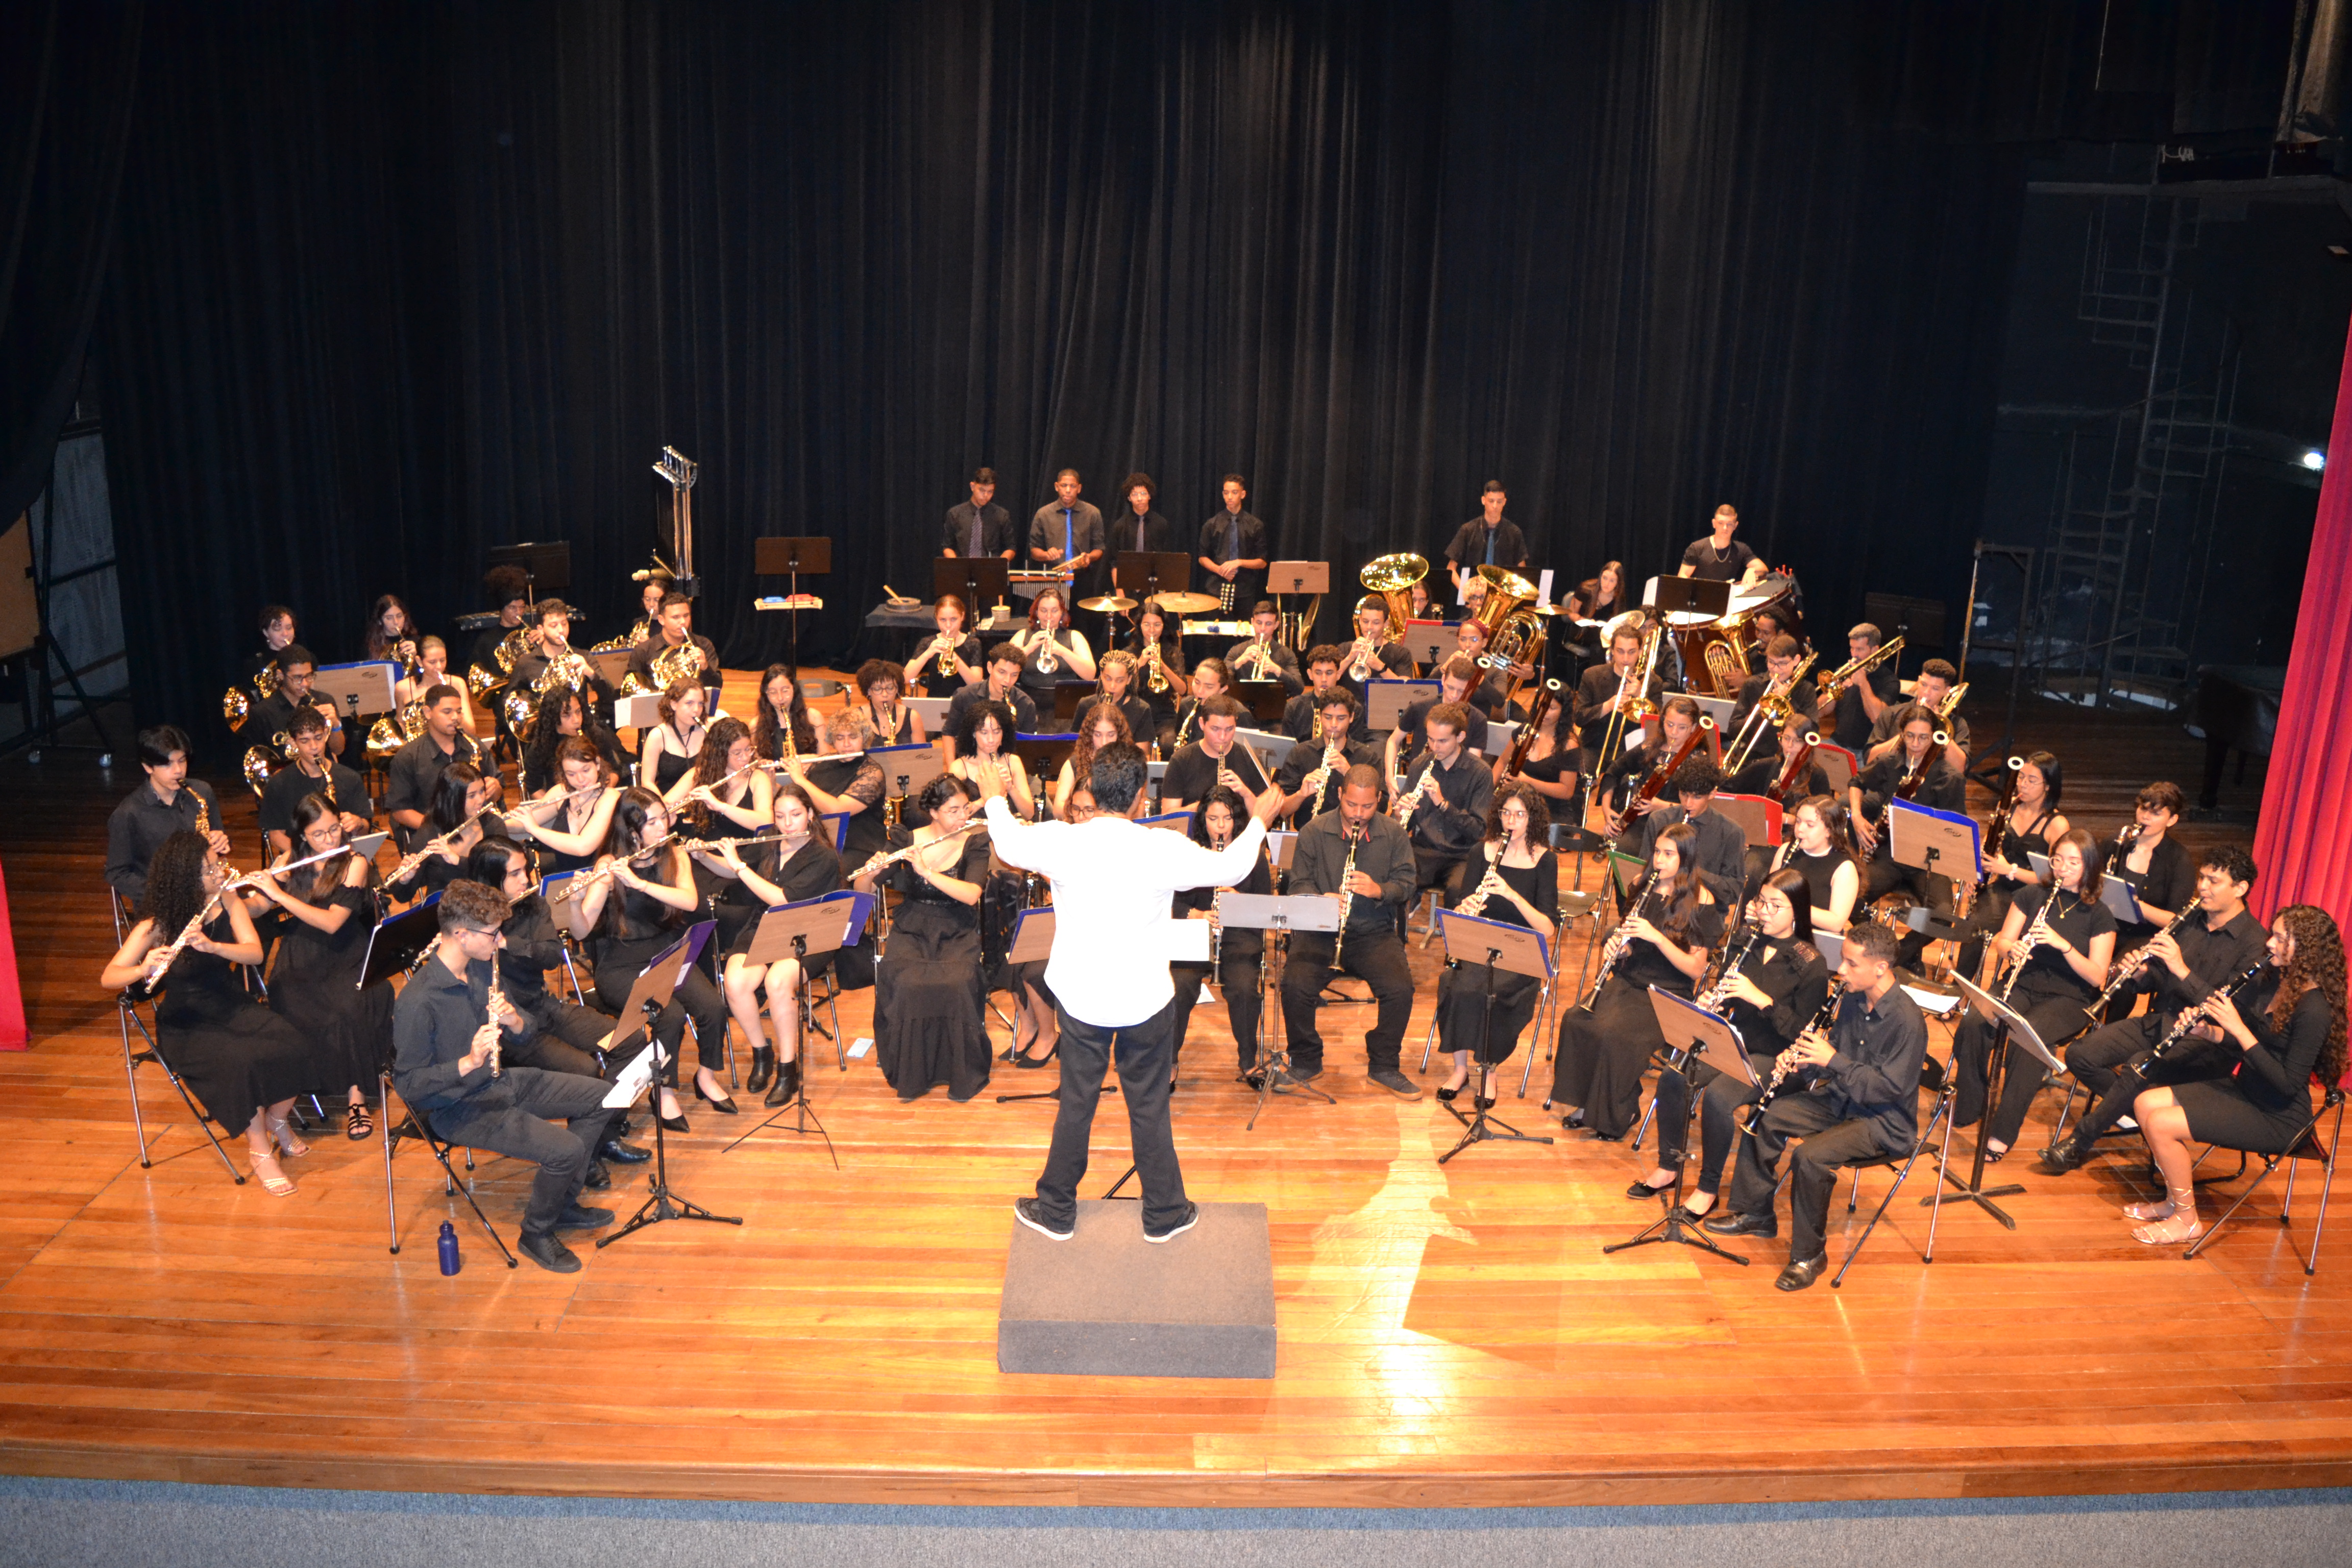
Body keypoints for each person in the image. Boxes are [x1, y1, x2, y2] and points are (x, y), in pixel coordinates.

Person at [984, 741, 1276, 1244]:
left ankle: (1056, 1210)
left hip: (1084, 1001)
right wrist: (1261, 819)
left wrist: (994, 798)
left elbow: (1008, 845)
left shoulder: (1064, 841)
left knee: (1077, 1102)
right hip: (1146, 1002)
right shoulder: (1160, 847)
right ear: (1142, 795)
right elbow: (1231, 869)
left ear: (1092, 791)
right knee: (1148, 1107)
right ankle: (1163, 1214)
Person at [394, 878, 618, 1273]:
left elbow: (529, 1030)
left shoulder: (482, 969)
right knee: (564, 1150)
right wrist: (465, 1062)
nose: (499, 940)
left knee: (603, 1097)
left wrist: (514, 1021)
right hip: (458, 1107)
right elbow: (409, 1085)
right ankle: (536, 1232)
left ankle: (561, 1203)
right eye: (493, 933)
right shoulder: (418, 1001)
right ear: (461, 935)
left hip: (498, 1082)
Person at [1703, 921, 1925, 1291]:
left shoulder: (1907, 1021)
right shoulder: (1853, 999)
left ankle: (1809, 1255)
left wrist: (1832, 1059)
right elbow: (1837, 1048)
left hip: (1883, 1122)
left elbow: (1888, 1089)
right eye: (1844, 961)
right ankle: (1756, 1212)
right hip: (1840, 1098)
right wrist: (1806, 1059)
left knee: (1810, 1157)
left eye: (1852, 964)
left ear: (1880, 968)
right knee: (1767, 1118)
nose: (1841, 971)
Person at [101, 832, 320, 1197]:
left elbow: (254, 954)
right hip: (187, 1023)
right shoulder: (157, 924)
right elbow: (109, 977)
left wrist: (215, 947)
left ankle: (278, 1120)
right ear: (186, 878)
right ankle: (260, 1150)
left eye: (216, 865)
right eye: (209, 870)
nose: (220, 874)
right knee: (241, 1061)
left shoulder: (228, 901)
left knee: (295, 1043)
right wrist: (143, 968)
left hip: (231, 1005)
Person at [2119, 904, 2346, 1246]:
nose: (2270, 943)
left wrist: (2238, 1029)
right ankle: (2173, 1201)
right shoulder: (2278, 982)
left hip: (2278, 1115)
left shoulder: (2315, 1010)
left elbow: (2287, 1083)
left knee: (2162, 1124)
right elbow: (2252, 1046)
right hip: (2248, 1089)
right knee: (2146, 1102)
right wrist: (2209, 1033)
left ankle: (2187, 1220)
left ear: (2307, 948)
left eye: (2281, 938)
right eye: (2273, 934)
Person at [2042, 845, 2266, 1173]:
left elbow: (2229, 1010)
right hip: (2162, 1021)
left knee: (2138, 1067)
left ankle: (2080, 1142)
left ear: (2240, 889)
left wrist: (2181, 969)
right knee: (2080, 1054)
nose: (2202, 887)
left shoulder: (2254, 943)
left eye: (2213, 881)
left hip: (2207, 1042)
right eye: (2202, 878)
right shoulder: (2190, 921)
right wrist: (2140, 974)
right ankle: (2140, 1113)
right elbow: (2161, 978)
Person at [1632, 867, 1832, 1208]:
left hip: (1776, 1056)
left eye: (1775, 906)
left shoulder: (1811, 963)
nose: (1763, 912)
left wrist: (1762, 1000)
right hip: (1733, 1039)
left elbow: (1803, 1033)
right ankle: (1669, 1166)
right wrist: (1713, 1002)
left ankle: (1708, 1188)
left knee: (1719, 1098)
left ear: (1796, 910)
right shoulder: (1745, 941)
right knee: (1672, 1077)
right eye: (1761, 902)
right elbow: (1725, 991)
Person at [463, 836, 654, 1143]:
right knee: (585, 1070)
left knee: (630, 1039)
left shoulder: (533, 906)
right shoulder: (469, 923)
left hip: (544, 1007)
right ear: (491, 878)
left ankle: (602, 1132)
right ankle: (589, 1151)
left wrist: (506, 943)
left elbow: (552, 956)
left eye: (525, 869)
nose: (526, 879)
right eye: (514, 874)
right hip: (512, 1028)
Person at [566, 786, 734, 1129]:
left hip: (668, 954)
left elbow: (689, 902)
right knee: (669, 1014)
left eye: (664, 817)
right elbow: (581, 932)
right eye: (653, 822)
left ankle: (706, 1076)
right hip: (621, 964)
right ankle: (664, 1091)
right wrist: (575, 901)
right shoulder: (609, 864)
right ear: (632, 831)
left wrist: (641, 884)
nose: (664, 826)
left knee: (713, 1007)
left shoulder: (675, 855)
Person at [1951, 828, 2117, 1161]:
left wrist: (2063, 945)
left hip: (2069, 998)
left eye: (2074, 862)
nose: (2064, 868)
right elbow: (2003, 940)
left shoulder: (2100, 915)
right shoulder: (2031, 895)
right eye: (2058, 860)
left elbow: (2098, 978)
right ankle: (1972, 1103)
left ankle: (2002, 1132)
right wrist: (2013, 951)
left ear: (2089, 868)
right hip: (2022, 981)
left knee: (2030, 1039)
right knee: (1973, 1022)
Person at [1550, 822, 1724, 1139]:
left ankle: (1621, 1112)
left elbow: (1695, 969)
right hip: (1629, 979)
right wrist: (1619, 949)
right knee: (1577, 1020)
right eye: (1657, 852)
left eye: (1668, 854)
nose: (1658, 860)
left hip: (1667, 993)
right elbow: (1628, 937)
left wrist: (1657, 938)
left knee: (1616, 1036)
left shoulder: (1702, 902)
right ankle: (1584, 1105)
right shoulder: (1640, 884)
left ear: (1685, 859)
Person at [244, 795, 392, 1140]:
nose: (330, 840)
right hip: (300, 953)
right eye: (319, 835)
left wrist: (280, 896)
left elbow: (332, 923)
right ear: (303, 837)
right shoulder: (287, 860)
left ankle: (356, 1098)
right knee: (288, 1002)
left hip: (346, 951)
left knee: (350, 1006)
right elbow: (259, 905)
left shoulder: (354, 862)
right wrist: (230, 901)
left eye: (334, 829)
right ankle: (295, 1091)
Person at [700, 781, 847, 1109]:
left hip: (809, 933)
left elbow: (782, 900)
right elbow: (730, 870)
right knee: (736, 983)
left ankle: (787, 1068)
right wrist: (704, 856)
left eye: (795, 815)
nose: (787, 824)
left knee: (777, 982)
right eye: (780, 817)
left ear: (810, 815)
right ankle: (762, 1053)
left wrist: (739, 865)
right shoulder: (770, 841)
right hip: (764, 927)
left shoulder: (823, 856)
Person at [1279, 767, 1421, 1098]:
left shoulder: (1394, 835)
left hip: (1374, 932)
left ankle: (1384, 1064)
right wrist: (1321, 899)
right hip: (1321, 932)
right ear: (1340, 796)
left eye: (1367, 807)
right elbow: (1297, 885)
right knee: (1294, 984)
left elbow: (1407, 886)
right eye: (1352, 805)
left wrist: (1378, 890)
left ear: (1379, 801)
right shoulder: (1314, 831)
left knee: (1400, 989)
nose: (1358, 814)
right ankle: (1306, 1059)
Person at [854, 775, 994, 1102]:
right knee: (906, 981)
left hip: (957, 925)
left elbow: (972, 894)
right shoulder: (906, 839)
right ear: (934, 812)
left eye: (965, 808)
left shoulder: (975, 842)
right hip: (913, 925)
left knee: (958, 982)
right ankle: (913, 1073)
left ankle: (959, 1072)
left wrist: (926, 872)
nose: (963, 817)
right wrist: (870, 872)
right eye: (953, 810)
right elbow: (865, 892)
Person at [1431, 783, 1559, 1105]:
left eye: (1519, 815)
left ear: (1533, 819)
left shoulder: (1544, 861)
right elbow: (1464, 904)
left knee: (1491, 992)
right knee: (1455, 983)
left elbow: (1548, 930)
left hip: (1519, 952)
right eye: (1506, 813)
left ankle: (1489, 1071)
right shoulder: (1483, 852)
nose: (1511, 822)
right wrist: (1464, 910)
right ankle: (1460, 1069)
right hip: (1479, 945)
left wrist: (1511, 894)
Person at [1164, 787, 1276, 1084]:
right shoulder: (1190, 851)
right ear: (1204, 820)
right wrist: (1199, 915)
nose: (1221, 827)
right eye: (1214, 819)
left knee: (1243, 989)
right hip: (1195, 934)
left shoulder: (1251, 852)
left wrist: (1236, 900)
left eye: (1227, 819)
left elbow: (1265, 906)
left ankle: (1248, 1061)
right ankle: (1169, 1061)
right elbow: (1170, 900)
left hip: (1239, 935)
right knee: (1180, 986)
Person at [1849, 702, 1964, 962]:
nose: (1915, 744)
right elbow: (1856, 782)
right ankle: (1877, 944)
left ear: (1935, 738)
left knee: (1944, 916)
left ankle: (1899, 955)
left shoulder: (1949, 777)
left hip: (1929, 861)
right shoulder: (1890, 762)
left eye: (1923, 738)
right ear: (1901, 734)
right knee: (1850, 897)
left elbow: (1957, 829)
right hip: (1890, 854)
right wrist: (1857, 817)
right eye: (1910, 736)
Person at [1953, 749, 2069, 979]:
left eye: (2031, 780)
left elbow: (2057, 878)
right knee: (1973, 927)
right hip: (2002, 889)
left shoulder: (2057, 825)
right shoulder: (2010, 807)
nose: (2022, 785)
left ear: (2048, 786)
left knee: (1979, 926)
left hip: (2035, 897)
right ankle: (1959, 991)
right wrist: (1973, 871)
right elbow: (1988, 844)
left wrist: (2009, 870)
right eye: (2021, 777)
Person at [1395, 701, 1496, 915]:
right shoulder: (1420, 765)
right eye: (1431, 739)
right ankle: (1398, 939)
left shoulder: (1480, 773)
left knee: (1458, 893)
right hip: (1424, 849)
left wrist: (1443, 804)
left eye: (1442, 741)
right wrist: (1401, 813)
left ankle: (1454, 946)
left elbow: (1479, 830)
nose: (1434, 746)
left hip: (1462, 854)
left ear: (1460, 737)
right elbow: (1406, 825)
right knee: (1397, 882)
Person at [2099, 781, 2198, 955]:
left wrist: (2134, 904)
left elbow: (2176, 920)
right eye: (2143, 809)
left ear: (2172, 820)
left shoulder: (2179, 860)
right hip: (2103, 925)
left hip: (2144, 939)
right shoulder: (2116, 843)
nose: (2145, 817)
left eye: (2156, 813)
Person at [256, 706, 368, 858]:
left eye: (318, 738)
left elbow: (366, 829)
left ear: (326, 734)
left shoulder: (350, 778)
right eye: (305, 741)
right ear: (293, 742)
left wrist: (358, 823)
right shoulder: (279, 783)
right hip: (303, 859)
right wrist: (309, 857)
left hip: (344, 856)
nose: (314, 747)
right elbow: (276, 835)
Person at [1633, 757, 1747, 905]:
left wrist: (1691, 871)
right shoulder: (1659, 819)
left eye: (1697, 797)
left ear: (1712, 794)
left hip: (1703, 908)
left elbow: (1732, 892)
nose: (1688, 804)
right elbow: (1645, 868)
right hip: (1659, 900)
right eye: (1684, 794)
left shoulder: (1731, 832)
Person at [384, 685, 482, 854]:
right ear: (428, 713)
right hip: (433, 839)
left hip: (475, 830)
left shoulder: (474, 746)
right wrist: (439, 829)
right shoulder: (408, 756)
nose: (455, 718)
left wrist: (493, 786)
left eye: (459, 712)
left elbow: (496, 788)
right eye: (447, 712)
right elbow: (400, 812)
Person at [505, 737, 622, 876]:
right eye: (571, 774)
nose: (580, 780)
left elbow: (583, 847)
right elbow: (523, 823)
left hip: (599, 879)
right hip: (562, 877)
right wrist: (493, 822)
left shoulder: (610, 797)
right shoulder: (561, 792)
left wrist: (535, 830)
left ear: (597, 764)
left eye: (586, 770)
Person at [1596, 694, 1703, 844]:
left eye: (1682, 728)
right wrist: (1607, 810)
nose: (1673, 732)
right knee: (1622, 848)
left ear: (1694, 728)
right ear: (1662, 721)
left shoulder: (1698, 761)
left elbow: (1701, 807)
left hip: (1679, 826)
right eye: (1670, 725)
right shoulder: (1649, 748)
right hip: (1643, 822)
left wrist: (1661, 806)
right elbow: (1613, 772)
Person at [387, 762, 498, 904]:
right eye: (472, 796)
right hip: (447, 912)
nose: (480, 800)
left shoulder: (493, 824)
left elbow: (497, 872)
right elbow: (403, 897)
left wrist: (458, 861)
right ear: (453, 799)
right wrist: (405, 879)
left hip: (489, 906)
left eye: (482, 791)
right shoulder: (430, 833)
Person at [792, 707, 889, 868]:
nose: (846, 745)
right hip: (821, 841)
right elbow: (796, 801)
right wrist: (771, 780)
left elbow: (838, 810)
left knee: (823, 871)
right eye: (840, 738)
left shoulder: (873, 773)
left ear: (864, 738)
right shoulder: (822, 763)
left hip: (858, 846)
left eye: (853, 737)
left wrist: (801, 781)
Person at [1574, 617, 1663, 780]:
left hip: (1631, 750)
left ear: (1641, 650)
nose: (1625, 659)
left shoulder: (1653, 682)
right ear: (1612, 651)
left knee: (1628, 783)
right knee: (1580, 776)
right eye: (1620, 651)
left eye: (1632, 652)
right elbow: (1579, 717)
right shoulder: (1592, 675)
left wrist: (1641, 697)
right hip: (1594, 745)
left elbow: (1659, 726)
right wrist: (1607, 706)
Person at [1161, 695, 1272, 817]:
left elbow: (1265, 820)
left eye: (1229, 729)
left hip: (1238, 834)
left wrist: (1246, 794)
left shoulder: (1251, 757)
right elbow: (1168, 815)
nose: (1223, 737)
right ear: (1202, 724)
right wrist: (1202, 806)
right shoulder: (1181, 759)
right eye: (1215, 729)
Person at [1273, 687, 1371, 828]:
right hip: (1309, 838)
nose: (1334, 725)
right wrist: (1301, 794)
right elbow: (1281, 811)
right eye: (1328, 717)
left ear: (1351, 717)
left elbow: (1379, 807)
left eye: (1341, 718)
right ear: (1319, 716)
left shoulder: (1366, 757)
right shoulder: (1300, 754)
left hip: (1352, 837)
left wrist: (1351, 775)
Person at [1385, 656, 1493, 777]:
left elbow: (1473, 764)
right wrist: (1390, 777)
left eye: (1461, 691)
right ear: (1443, 680)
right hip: (1417, 778)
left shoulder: (1478, 719)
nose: (1454, 696)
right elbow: (1393, 741)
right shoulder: (1419, 708)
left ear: (1470, 690)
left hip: (1454, 783)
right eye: (1450, 688)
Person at [1865, 656, 1970, 776]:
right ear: (1918, 681)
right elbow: (1870, 760)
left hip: (1933, 788)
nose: (1926, 693)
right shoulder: (1891, 714)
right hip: (1890, 783)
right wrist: (1909, 731)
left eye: (1935, 689)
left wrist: (1939, 729)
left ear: (1947, 692)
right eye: (1924, 684)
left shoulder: (1956, 724)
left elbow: (1960, 769)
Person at [520, 683, 625, 796]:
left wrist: (602, 793)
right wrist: (556, 807)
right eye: (567, 715)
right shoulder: (539, 746)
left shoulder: (594, 734)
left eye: (578, 712)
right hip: (561, 801)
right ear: (554, 718)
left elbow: (615, 770)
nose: (576, 720)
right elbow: (534, 786)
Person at [1778, 795, 1861, 934]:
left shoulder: (1844, 868)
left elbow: (1836, 923)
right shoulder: (1785, 850)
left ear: (1829, 830)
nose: (1800, 830)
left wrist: (1794, 906)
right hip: (1779, 931)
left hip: (1814, 940)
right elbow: (1768, 893)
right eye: (1798, 822)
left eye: (1810, 825)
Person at [250, 645, 349, 761]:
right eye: (297, 678)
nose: (305, 684)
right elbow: (258, 759)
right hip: (285, 776)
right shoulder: (262, 712)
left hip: (322, 774)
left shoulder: (324, 701)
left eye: (309, 676)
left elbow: (338, 750)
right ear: (281, 675)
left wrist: (336, 725)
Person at [1491, 684, 1579, 812]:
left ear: (1563, 711)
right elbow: (1502, 762)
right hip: (1517, 801)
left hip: (1550, 809)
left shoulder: (1569, 744)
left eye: (1552, 708)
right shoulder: (1524, 731)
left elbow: (1566, 791)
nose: (1545, 712)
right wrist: (1489, 792)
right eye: (1542, 705)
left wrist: (1527, 781)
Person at [624, 592, 722, 704]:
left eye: (686, 616)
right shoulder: (644, 650)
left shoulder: (703, 645)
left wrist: (705, 667)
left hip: (695, 709)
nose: (683, 622)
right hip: (657, 710)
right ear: (662, 620)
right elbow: (631, 684)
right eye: (676, 617)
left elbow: (717, 687)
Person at [948, 699, 1037, 822]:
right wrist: (985, 800)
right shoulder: (959, 767)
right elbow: (952, 816)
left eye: (997, 732)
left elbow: (1029, 813)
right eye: (984, 733)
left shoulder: (1013, 762)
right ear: (974, 734)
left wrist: (1010, 788)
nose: (991, 740)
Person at [1029, 468, 1108, 603]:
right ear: (1056, 487)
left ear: (1079, 488)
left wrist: (1089, 557)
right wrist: (1046, 554)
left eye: (1073, 486)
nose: (1068, 490)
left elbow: (1099, 548)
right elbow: (1034, 551)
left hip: (1082, 578)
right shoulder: (1043, 514)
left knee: (1081, 622)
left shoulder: (1092, 513)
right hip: (1053, 578)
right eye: (1064, 486)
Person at [1725, 634, 1819, 747]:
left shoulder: (1807, 690)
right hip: (1754, 755)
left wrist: (1788, 703)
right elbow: (1732, 731)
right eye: (1771, 662)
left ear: (1796, 660)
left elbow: (1812, 734)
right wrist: (1761, 711)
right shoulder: (1752, 684)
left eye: (1783, 663)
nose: (1775, 669)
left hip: (1788, 754)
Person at [1823, 622, 1900, 753]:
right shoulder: (1845, 673)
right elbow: (1821, 711)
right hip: (1836, 742)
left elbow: (1877, 717)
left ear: (1875, 650)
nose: (1854, 655)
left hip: (1864, 752)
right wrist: (1835, 691)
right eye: (1852, 649)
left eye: (1859, 649)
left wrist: (1863, 683)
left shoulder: (1889, 681)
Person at [1197, 474, 1269, 612]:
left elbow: (1262, 562)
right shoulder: (1212, 524)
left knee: (1243, 631)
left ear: (1243, 495)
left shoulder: (1255, 525)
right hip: (1217, 587)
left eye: (1234, 493)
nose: (1229, 497)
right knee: (1215, 630)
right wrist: (1220, 570)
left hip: (1245, 589)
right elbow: (1202, 557)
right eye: (1226, 493)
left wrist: (1239, 562)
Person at [1443, 480, 1530, 595]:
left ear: (1504, 502)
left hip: (1502, 597)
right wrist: (1466, 593)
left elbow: (1522, 572)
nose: (1495, 506)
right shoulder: (1468, 530)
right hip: (1473, 598)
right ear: (1483, 501)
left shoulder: (1514, 532)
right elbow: (1451, 568)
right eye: (1491, 501)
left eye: (1499, 502)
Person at [1051, 699, 1132, 821]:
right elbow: (1058, 809)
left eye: (1111, 735)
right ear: (1089, 735)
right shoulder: (1074, 764)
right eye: (1098, 735)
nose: (1104, 742)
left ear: (1120, 735)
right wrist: (1084, 813)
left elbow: (1137, 809)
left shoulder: (1129, 765)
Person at [1011, 584, 1096, 696]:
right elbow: (1004, 665)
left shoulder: (1075, 637)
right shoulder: (1023, 635)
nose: (1049, 616)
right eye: (1044, 611)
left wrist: (1063, 652)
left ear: (1062, 612)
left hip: (1066, 698)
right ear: (1036, 612)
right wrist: (1029, 648)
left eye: (1055, 611)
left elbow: (1090, 675)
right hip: (1028, 698)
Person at [1122, 600, 1186, 745]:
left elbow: (1183, 690)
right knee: (1132, 747)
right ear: (1139, 625)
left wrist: (1163, 667)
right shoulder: (1129, 653)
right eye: (1147, 624)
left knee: (1170, 743)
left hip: (1164, 715)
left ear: (1164, 626)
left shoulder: (1172, 652)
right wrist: (1139, 663)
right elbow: (1119, 685)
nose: (1152, 630)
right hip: (1135, 712)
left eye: (1157, 625)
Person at [944, 642, 1039, 735]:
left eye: (1014, 675)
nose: (1008, 680)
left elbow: (1027, 744)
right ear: (990, 668)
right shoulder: (964, 696)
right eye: (1002, 672)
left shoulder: (1026, 704)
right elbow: (949, 733)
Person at [1336, 595, 1413, 708]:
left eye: (1376, 623)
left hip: (1384, 712)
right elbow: (1329, 680)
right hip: (1347, 712)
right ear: (1360, 621)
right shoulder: (1345, 649)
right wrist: (1350, 658)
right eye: (1365, 621)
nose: (1369, 627)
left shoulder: (1401, 653)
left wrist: (1380, 667)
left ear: (1386, 624)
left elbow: (1406, 689)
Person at [639, 677, 708, 796]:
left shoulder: (706, 732)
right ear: (674, 704)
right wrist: (664, 809)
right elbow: (647, 782)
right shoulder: (658, 736)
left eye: (700, 704)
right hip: (668, 803)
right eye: (689, 703)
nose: (697, 710)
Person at [467, 566, 532, 683]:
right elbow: (472, 673)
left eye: (522, 607)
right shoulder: (487, 640)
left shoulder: (531, 633)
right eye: (513, 608)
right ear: (502, 609)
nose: (519, 612)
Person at [1677, 503, 1767, 587]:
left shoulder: (1741, 549)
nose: (1725, 528)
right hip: (1701, 596)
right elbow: (1682, 575)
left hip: (1727, 597)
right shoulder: (1697, 547)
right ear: (1714, 523)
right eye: (1721, 523)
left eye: (1729, 524)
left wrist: (1752, 570)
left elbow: (1763, 568)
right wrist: (1697, 588)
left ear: (1735, 526)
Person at [912, 595, 986, 698]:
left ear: (963, 617)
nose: (948, 625)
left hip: (965, 703)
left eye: (953, 619)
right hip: (935, 702)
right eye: (943, 620)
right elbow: (906, 677)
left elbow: (977, 684)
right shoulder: (927, 642)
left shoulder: (973, 643)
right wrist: (927, 654)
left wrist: (957, 661)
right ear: (936, 618)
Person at [1107, 472, 1182, 571]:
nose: (1140, 498)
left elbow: (1166, 558)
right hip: (1128, 577)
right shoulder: (1120, 525)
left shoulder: (1161, 524)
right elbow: (1115, 562)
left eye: (1143, 493)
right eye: (1135, 495)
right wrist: (1119, 587)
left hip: (1155, 578)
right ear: (1129, 498)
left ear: (1149, 496)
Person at [1224, 601, 1302, 696]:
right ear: (1252, 622)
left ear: (1276, 625)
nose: (1263, 628)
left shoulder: (1287, 654)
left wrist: (1277, 670)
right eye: (1259, 623)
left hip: (1275, 706)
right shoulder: (1237, 651)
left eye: (1268, 624)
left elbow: (1299, 688)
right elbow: (1219, 680)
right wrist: (1238, 662)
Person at [941, 466, 1016, 559]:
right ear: (972, 487)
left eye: (990, 492)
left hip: (991, 569)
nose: (986, 496)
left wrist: (998, 565)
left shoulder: (1001, 515)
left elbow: (1011, 548)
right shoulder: (955, 514)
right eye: (982, 490)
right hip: (961, 568)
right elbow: (947, 547)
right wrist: (957, 565)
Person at [751, 663, 820, 763]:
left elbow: (826, 758)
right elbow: (754, 764)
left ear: (794, 689)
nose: (780, 698)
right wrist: (762, 765)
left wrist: (813, 760)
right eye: (773, 692)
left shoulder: (813, 718)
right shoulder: (756, 725)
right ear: (765, 693)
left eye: (785, 691)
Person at [1168, 658, 1235, 754]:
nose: (1200, 691)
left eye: (1209, 687)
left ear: (1223, 689)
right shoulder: (1186, 705)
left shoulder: (1237, 713)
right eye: (1197, 682)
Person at [1091, 651, 1156, 748]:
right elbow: (1079, 748)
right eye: (1108, 679)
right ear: (1101, 675)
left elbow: (1142, 755)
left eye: (1120, 681)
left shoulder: (1141, 709)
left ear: (1129, 679)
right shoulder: (1086, 705)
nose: (1112, 686)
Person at [853, 659, 923, 746]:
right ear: (868, 691)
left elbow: (921, 756)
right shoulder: (855, 718)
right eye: (878, 689)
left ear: (897, 690)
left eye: (890, 688)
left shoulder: (913, 717)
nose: (885, 694)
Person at [1281, 646, 1343, 743]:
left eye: (1329, 673)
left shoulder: (1352, 708)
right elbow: (1286, 748)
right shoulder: (1294, 707)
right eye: (1318, 673)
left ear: (1338, 674)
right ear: (1310, 675)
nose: (1324, 679)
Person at [364, 594, 423, 675]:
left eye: (399, 616)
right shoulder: (371, 646)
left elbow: (424, 675)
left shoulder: (417, 642)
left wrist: (416, 658)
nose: (396, 622)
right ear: (380, 621)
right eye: (389, 618)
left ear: (405, 617)